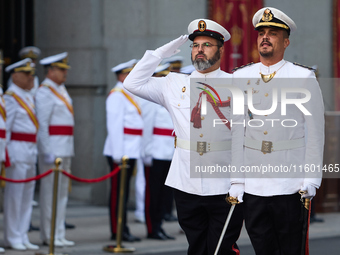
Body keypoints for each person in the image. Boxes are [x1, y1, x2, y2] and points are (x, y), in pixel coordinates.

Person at [124, 19, 243, 254]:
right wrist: (159, 53)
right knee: (196, 246)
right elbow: (132, 82)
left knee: (222, 249)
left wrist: (240, 181)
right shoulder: (173, 82)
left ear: (220, 49)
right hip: (185, 183)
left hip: (224, 184)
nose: (199, 49)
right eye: (195, 45)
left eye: (207, 44)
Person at [231, 7, 325, 255]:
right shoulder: (241, 76)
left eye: (272, 33)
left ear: (286, 41)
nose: (265, 37)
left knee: (290, 249)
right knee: (262, 248)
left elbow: (316, 132)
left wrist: (311, 178)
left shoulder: (303, 77)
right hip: (254, 185)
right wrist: (236, 179)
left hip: (289, 184)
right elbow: (237, 133)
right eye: (261, 32)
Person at [35, 52, 75, 247]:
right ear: (50, 71)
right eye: (61, 69)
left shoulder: (61, 89)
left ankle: (58, 233)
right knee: (50, 194)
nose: (65, 73)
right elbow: (42, 124)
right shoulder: (44, 91)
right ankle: (48, 235)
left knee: (62, 195)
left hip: (65, 148)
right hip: (53, 151)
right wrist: (47, 150)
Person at [103, 59, 142, 242]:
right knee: (118, 193)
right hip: (121, 153)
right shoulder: (117, 95)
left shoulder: (128, 93)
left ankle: (122, 228)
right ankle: (117, 230)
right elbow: (115, 126)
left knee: (124, 194)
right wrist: (119, 154)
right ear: (121, 75)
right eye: (129, 73)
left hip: (131, 150)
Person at [3, 58, 40, 251]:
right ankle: (12, 236)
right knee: (14, 197)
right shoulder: (10, 97)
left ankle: (23, 233)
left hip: (30, 148)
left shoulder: (27, 96)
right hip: (17, 148)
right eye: (26, 74)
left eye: (31, 74)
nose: (30, 77)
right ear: (15, 76)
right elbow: (6, 129)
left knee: (27, 196)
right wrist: (6, 154)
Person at [143, 63, 177, 240]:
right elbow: (147, 127)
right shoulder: (150, 99)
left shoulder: (168, 98)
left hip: (168, 152)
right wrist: (147, 152)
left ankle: (159, 225)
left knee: (164, 193)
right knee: (153, 193)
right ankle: (152, 227)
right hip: (155, 152)